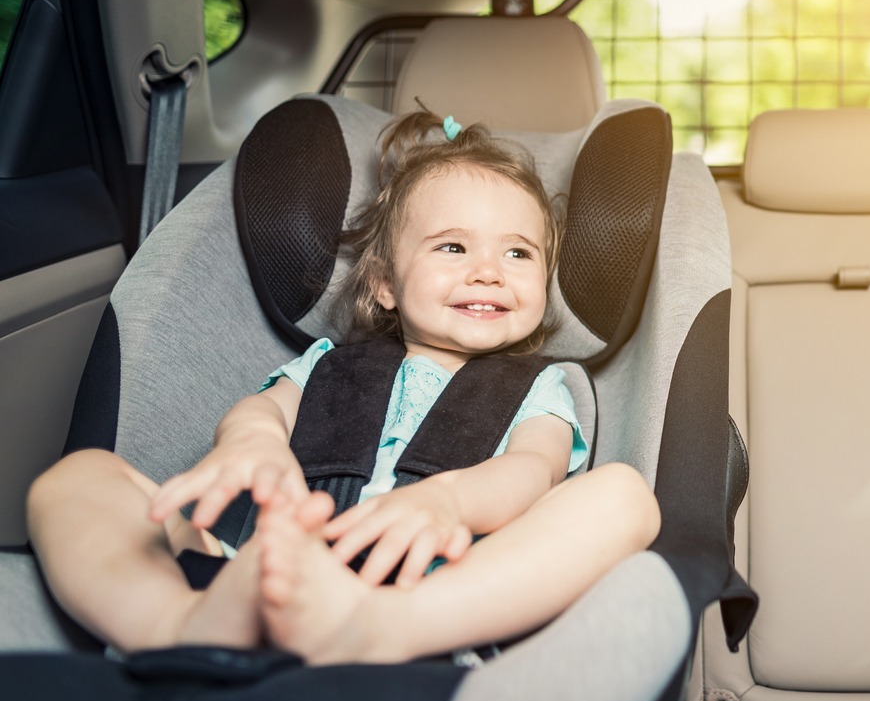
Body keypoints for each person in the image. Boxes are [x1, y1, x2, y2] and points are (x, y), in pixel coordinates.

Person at [26, 109, 660, 666]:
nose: (489, 273)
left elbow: (534, 469)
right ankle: (179, 626)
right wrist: (252, 445)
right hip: (265, 569)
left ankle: (377, 630)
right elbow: (264, 409)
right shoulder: (328, 364)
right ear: (383, 283)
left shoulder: (541, 387)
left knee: (625, 497)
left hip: (435, 590)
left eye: (519, 255)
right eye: (453, 247)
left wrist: (451, 505)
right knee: (77, 478)